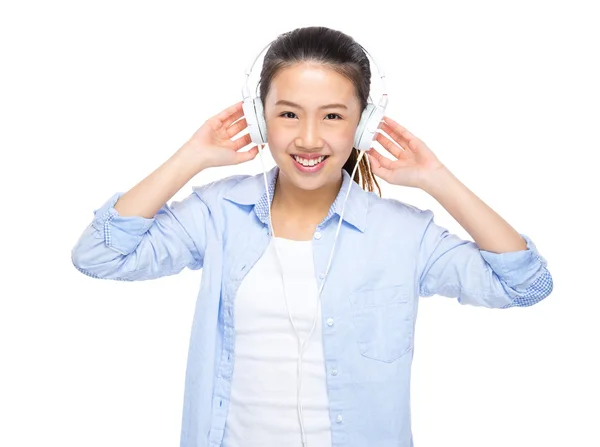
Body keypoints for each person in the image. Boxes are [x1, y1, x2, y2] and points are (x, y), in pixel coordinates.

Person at [71, 26, 553, 447]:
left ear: (363, 125)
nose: (308, 138)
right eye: (287, 115)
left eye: (333, 116)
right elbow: (99, 255)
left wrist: (438, 179)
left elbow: (525, 285)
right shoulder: (218, 213)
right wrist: (190, 158)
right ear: (260, 118)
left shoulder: (403, 234)